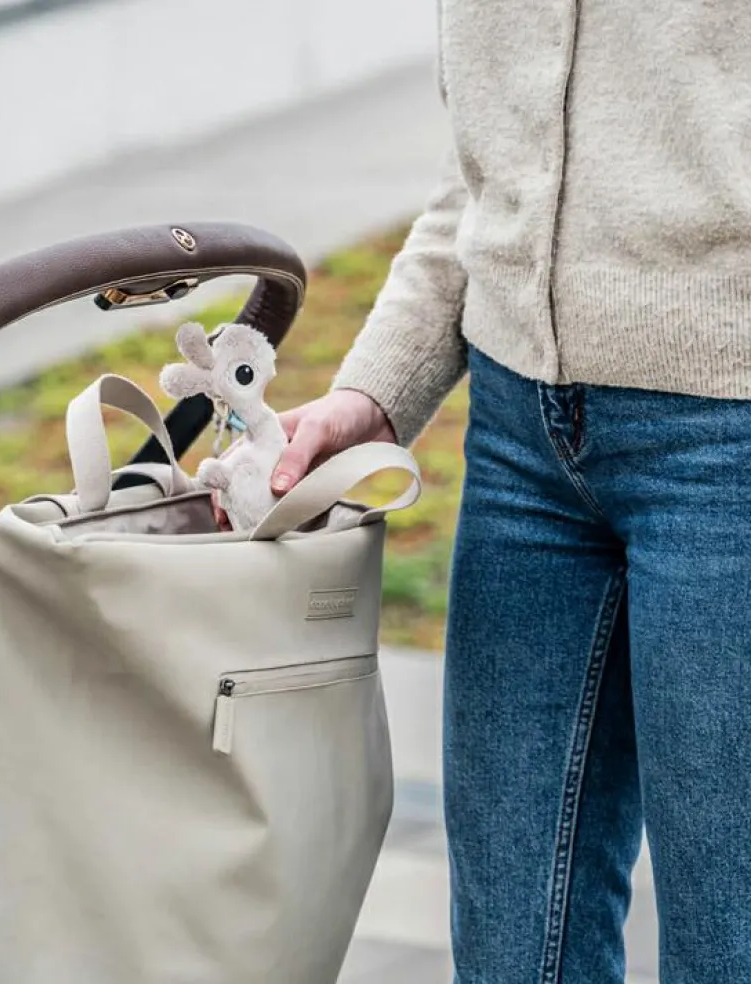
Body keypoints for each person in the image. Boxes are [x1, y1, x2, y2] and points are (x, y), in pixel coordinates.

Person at [223, 4, 751, 983]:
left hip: (728, 440)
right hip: (522, 447)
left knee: (731, 939)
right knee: (512, 943)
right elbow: (486, 167)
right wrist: (377, 389)